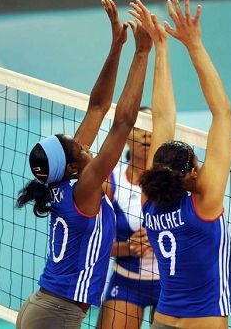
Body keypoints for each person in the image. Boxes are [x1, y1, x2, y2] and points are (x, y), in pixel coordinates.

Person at [15, 0, 153, 329]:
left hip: (48, 307)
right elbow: (122, 122)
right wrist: (141, 54)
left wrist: (116, 47)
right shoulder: (85, 190)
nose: (82, 143)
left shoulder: (66, 181)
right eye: (77, 146)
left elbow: (97, 107)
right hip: (55, 314)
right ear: (74, 166)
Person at [129, 0, 231, 329]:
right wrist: (195, 45)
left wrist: (161, 48)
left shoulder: (150, 201)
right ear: (191, 172)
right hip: (202, 321)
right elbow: (222, 113)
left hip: (163, 318)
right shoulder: (205, 202)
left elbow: (162, 117)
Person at [97, 107, 161, 329]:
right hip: (126, 282)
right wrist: (129, 247)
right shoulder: (109, 182)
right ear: (125, 137)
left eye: (152, 127)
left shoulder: (176, 182)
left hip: (172, 285)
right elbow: (94, 244)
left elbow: (196, 239)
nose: (146, 133)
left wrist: (159, 241)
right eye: (139, 127)